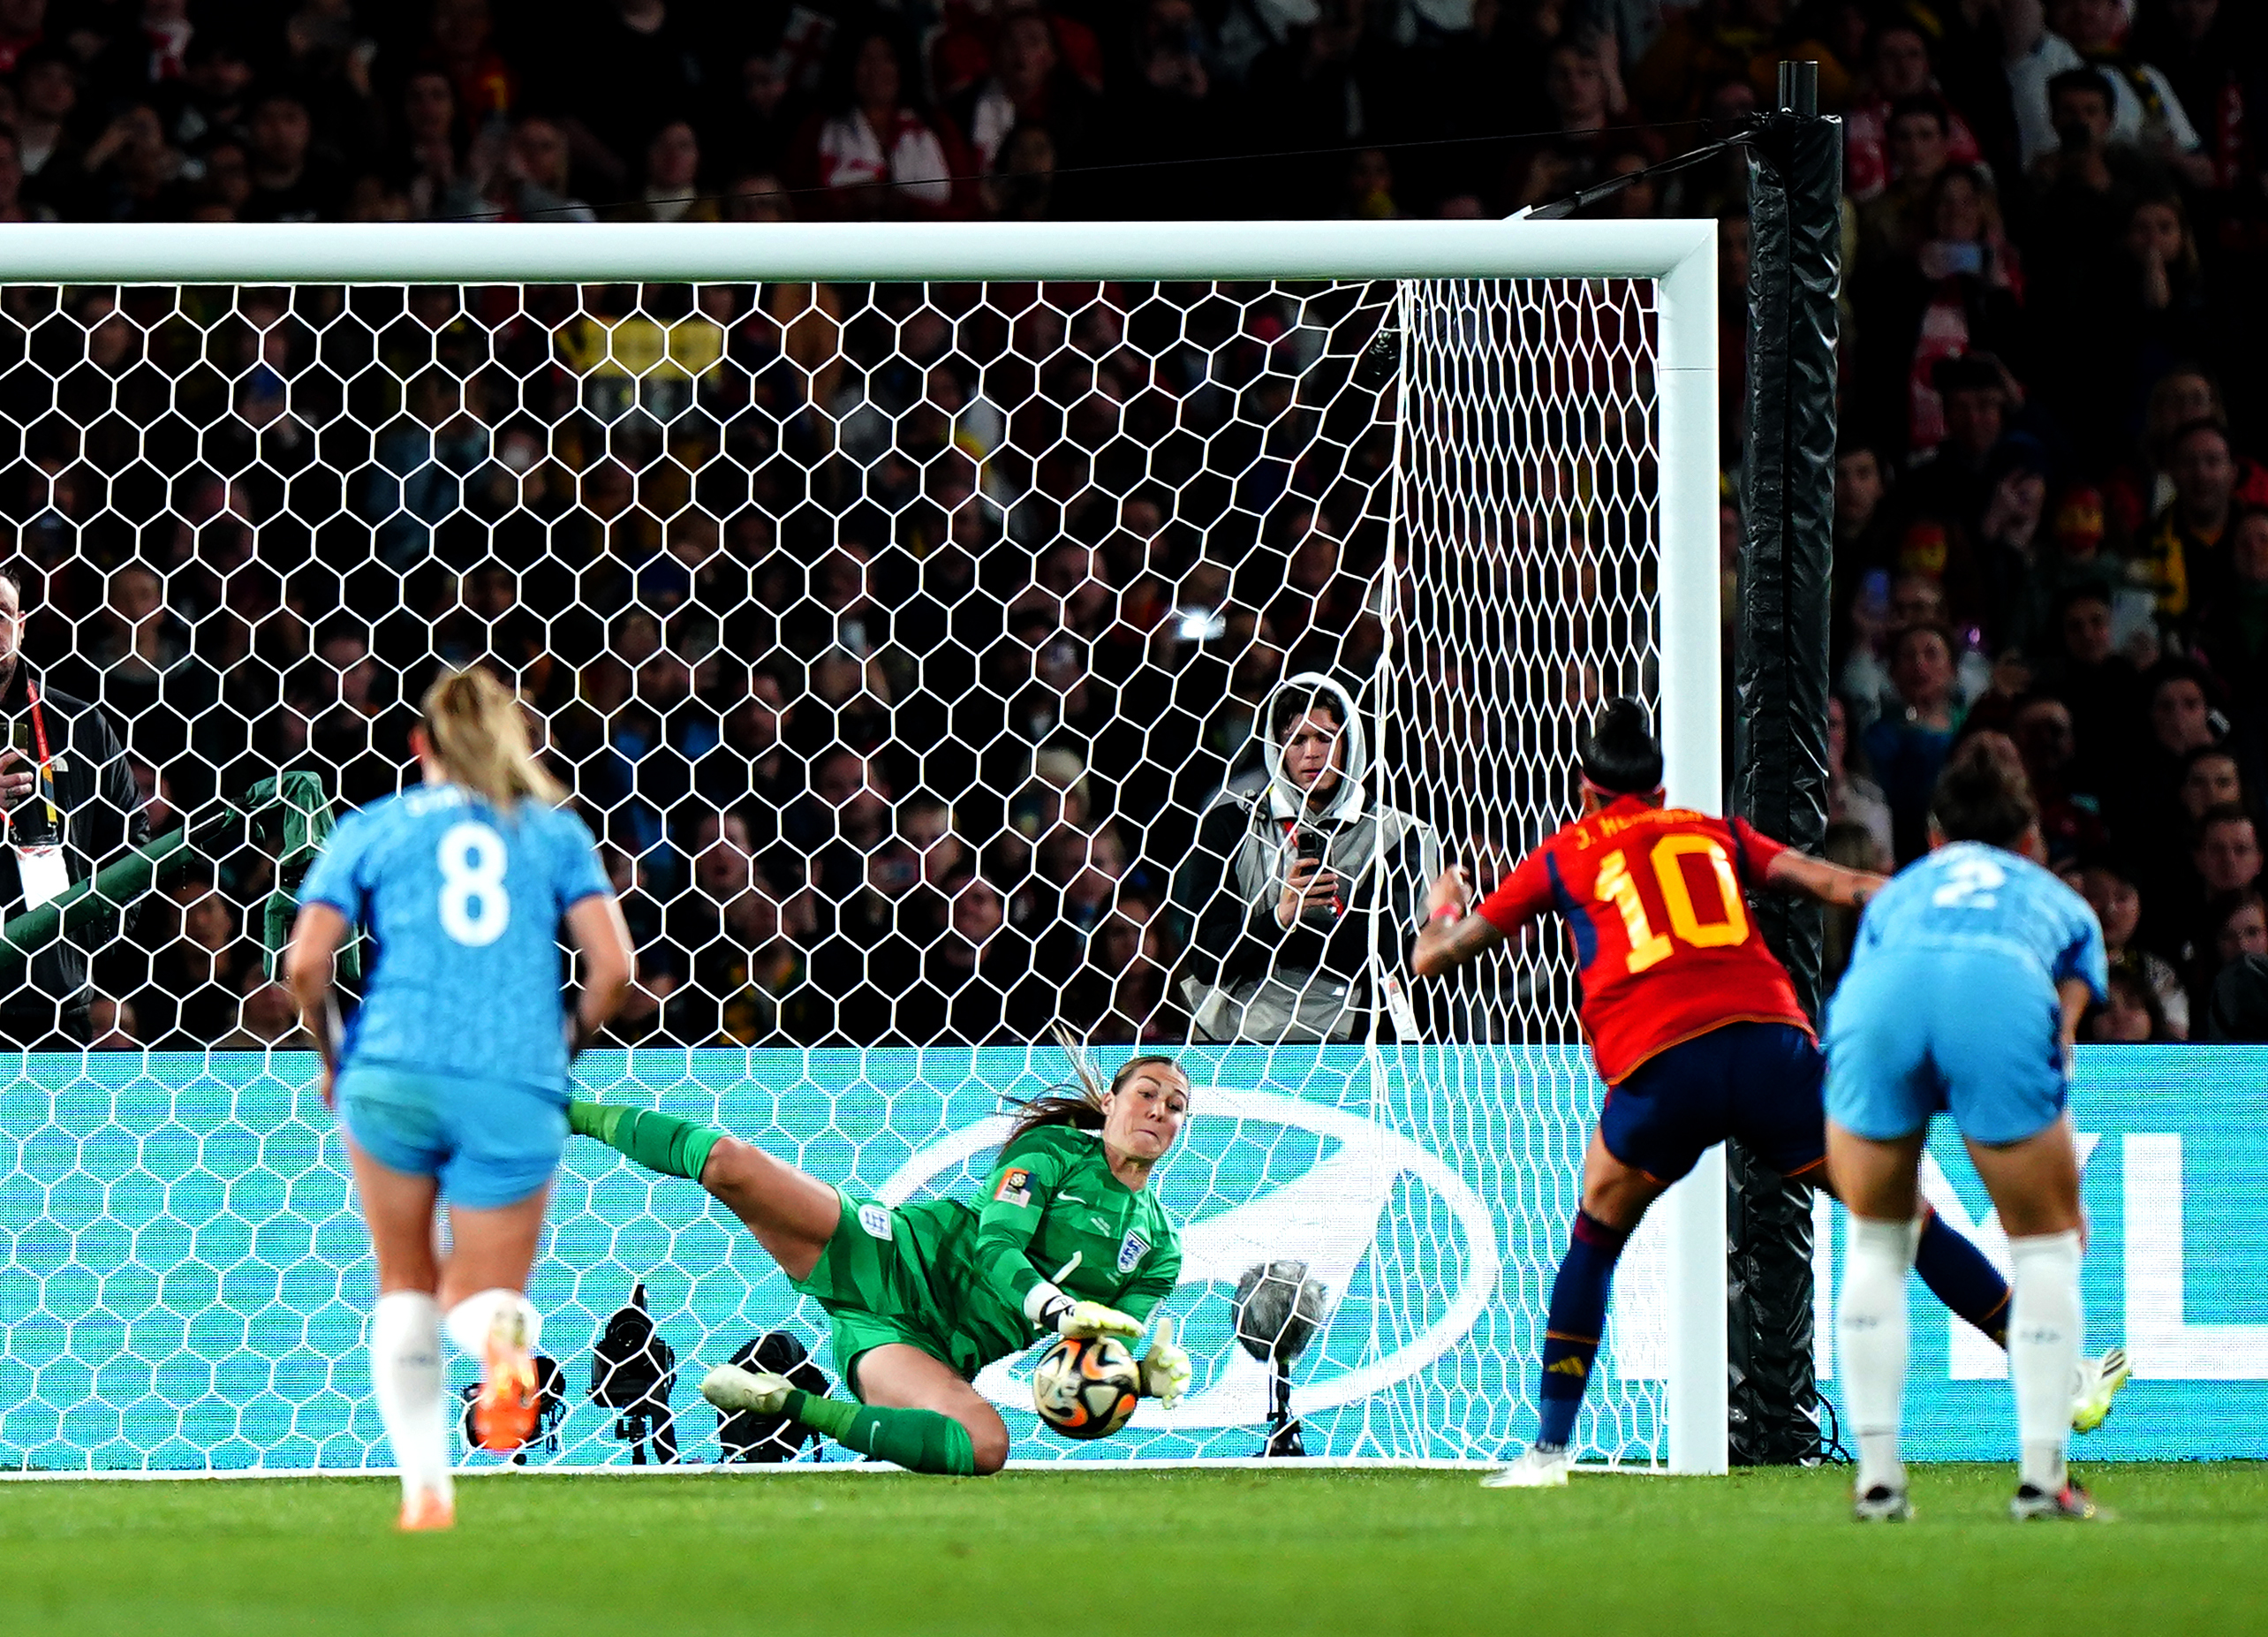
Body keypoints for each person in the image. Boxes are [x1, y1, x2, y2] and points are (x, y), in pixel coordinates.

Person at [1410, 700, 2127, 1488]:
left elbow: (1434, 959)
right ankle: (2061, 1373)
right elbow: (1835, 881)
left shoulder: (1562, 854)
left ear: (1586, 792)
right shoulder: (1712, 832)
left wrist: (1442, 899)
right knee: (1907, 1220)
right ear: (1657, 793)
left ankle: (1549, 1451)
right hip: (1770, 1047)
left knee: (1596, 1237)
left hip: (1663, 1061)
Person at [284, 669, 635, 1533]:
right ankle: (503, 1346)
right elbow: (615, 968)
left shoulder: (374, 827)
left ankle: (426, 1493)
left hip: (393, 1071)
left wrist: (336, 1056)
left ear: (420, 747)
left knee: (403, 1280)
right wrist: (560, 1049)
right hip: (513, 1078)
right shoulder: (553, 834)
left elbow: (303, 966)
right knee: (487, 1287)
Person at [565, 1042, 1193, 1475]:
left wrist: (1139, 1381)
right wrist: (1057, 1308)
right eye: (1146, 1093)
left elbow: (1083, 1379)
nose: (1158, 1111)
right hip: (888, 1252)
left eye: (1174, 1106)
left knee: (985, 1446)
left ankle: (781, 1401)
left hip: (928, 1349)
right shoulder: (1054, 1149)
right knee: (731, 1164)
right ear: (1110, 1102)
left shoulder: (1158, 1250)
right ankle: (559, 1110)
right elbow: (995, 1245)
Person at [1824, 733, 2110, 1523]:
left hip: (1878, 1002)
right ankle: (2043, 1481)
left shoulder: (1901, 889)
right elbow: (2068, 1018)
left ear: (1934, 835)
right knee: (2049, 1244)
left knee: (1879, 1240)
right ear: (2030, 841)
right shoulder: (2059, 899)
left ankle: (1878, 1481)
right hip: (1999, 994)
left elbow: (1869, 967)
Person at [1175, 671, 1440, 1043]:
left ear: (1350, 743)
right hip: (1239, 1038)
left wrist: (1278, 934)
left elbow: (1388, 959)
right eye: (1296, 740)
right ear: (1274, 747)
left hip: (1355, 1039)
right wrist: (1280, 918)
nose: (1312, 753)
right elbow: (1206, 959)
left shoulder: (1400, 835)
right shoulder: (1230, 826)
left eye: (1325, 738)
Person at [0, 563, 151, 1047]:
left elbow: (131, 846)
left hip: (55, 1002)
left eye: (0, 613)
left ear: (21, 626)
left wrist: (84, 943)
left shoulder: (79, 726)